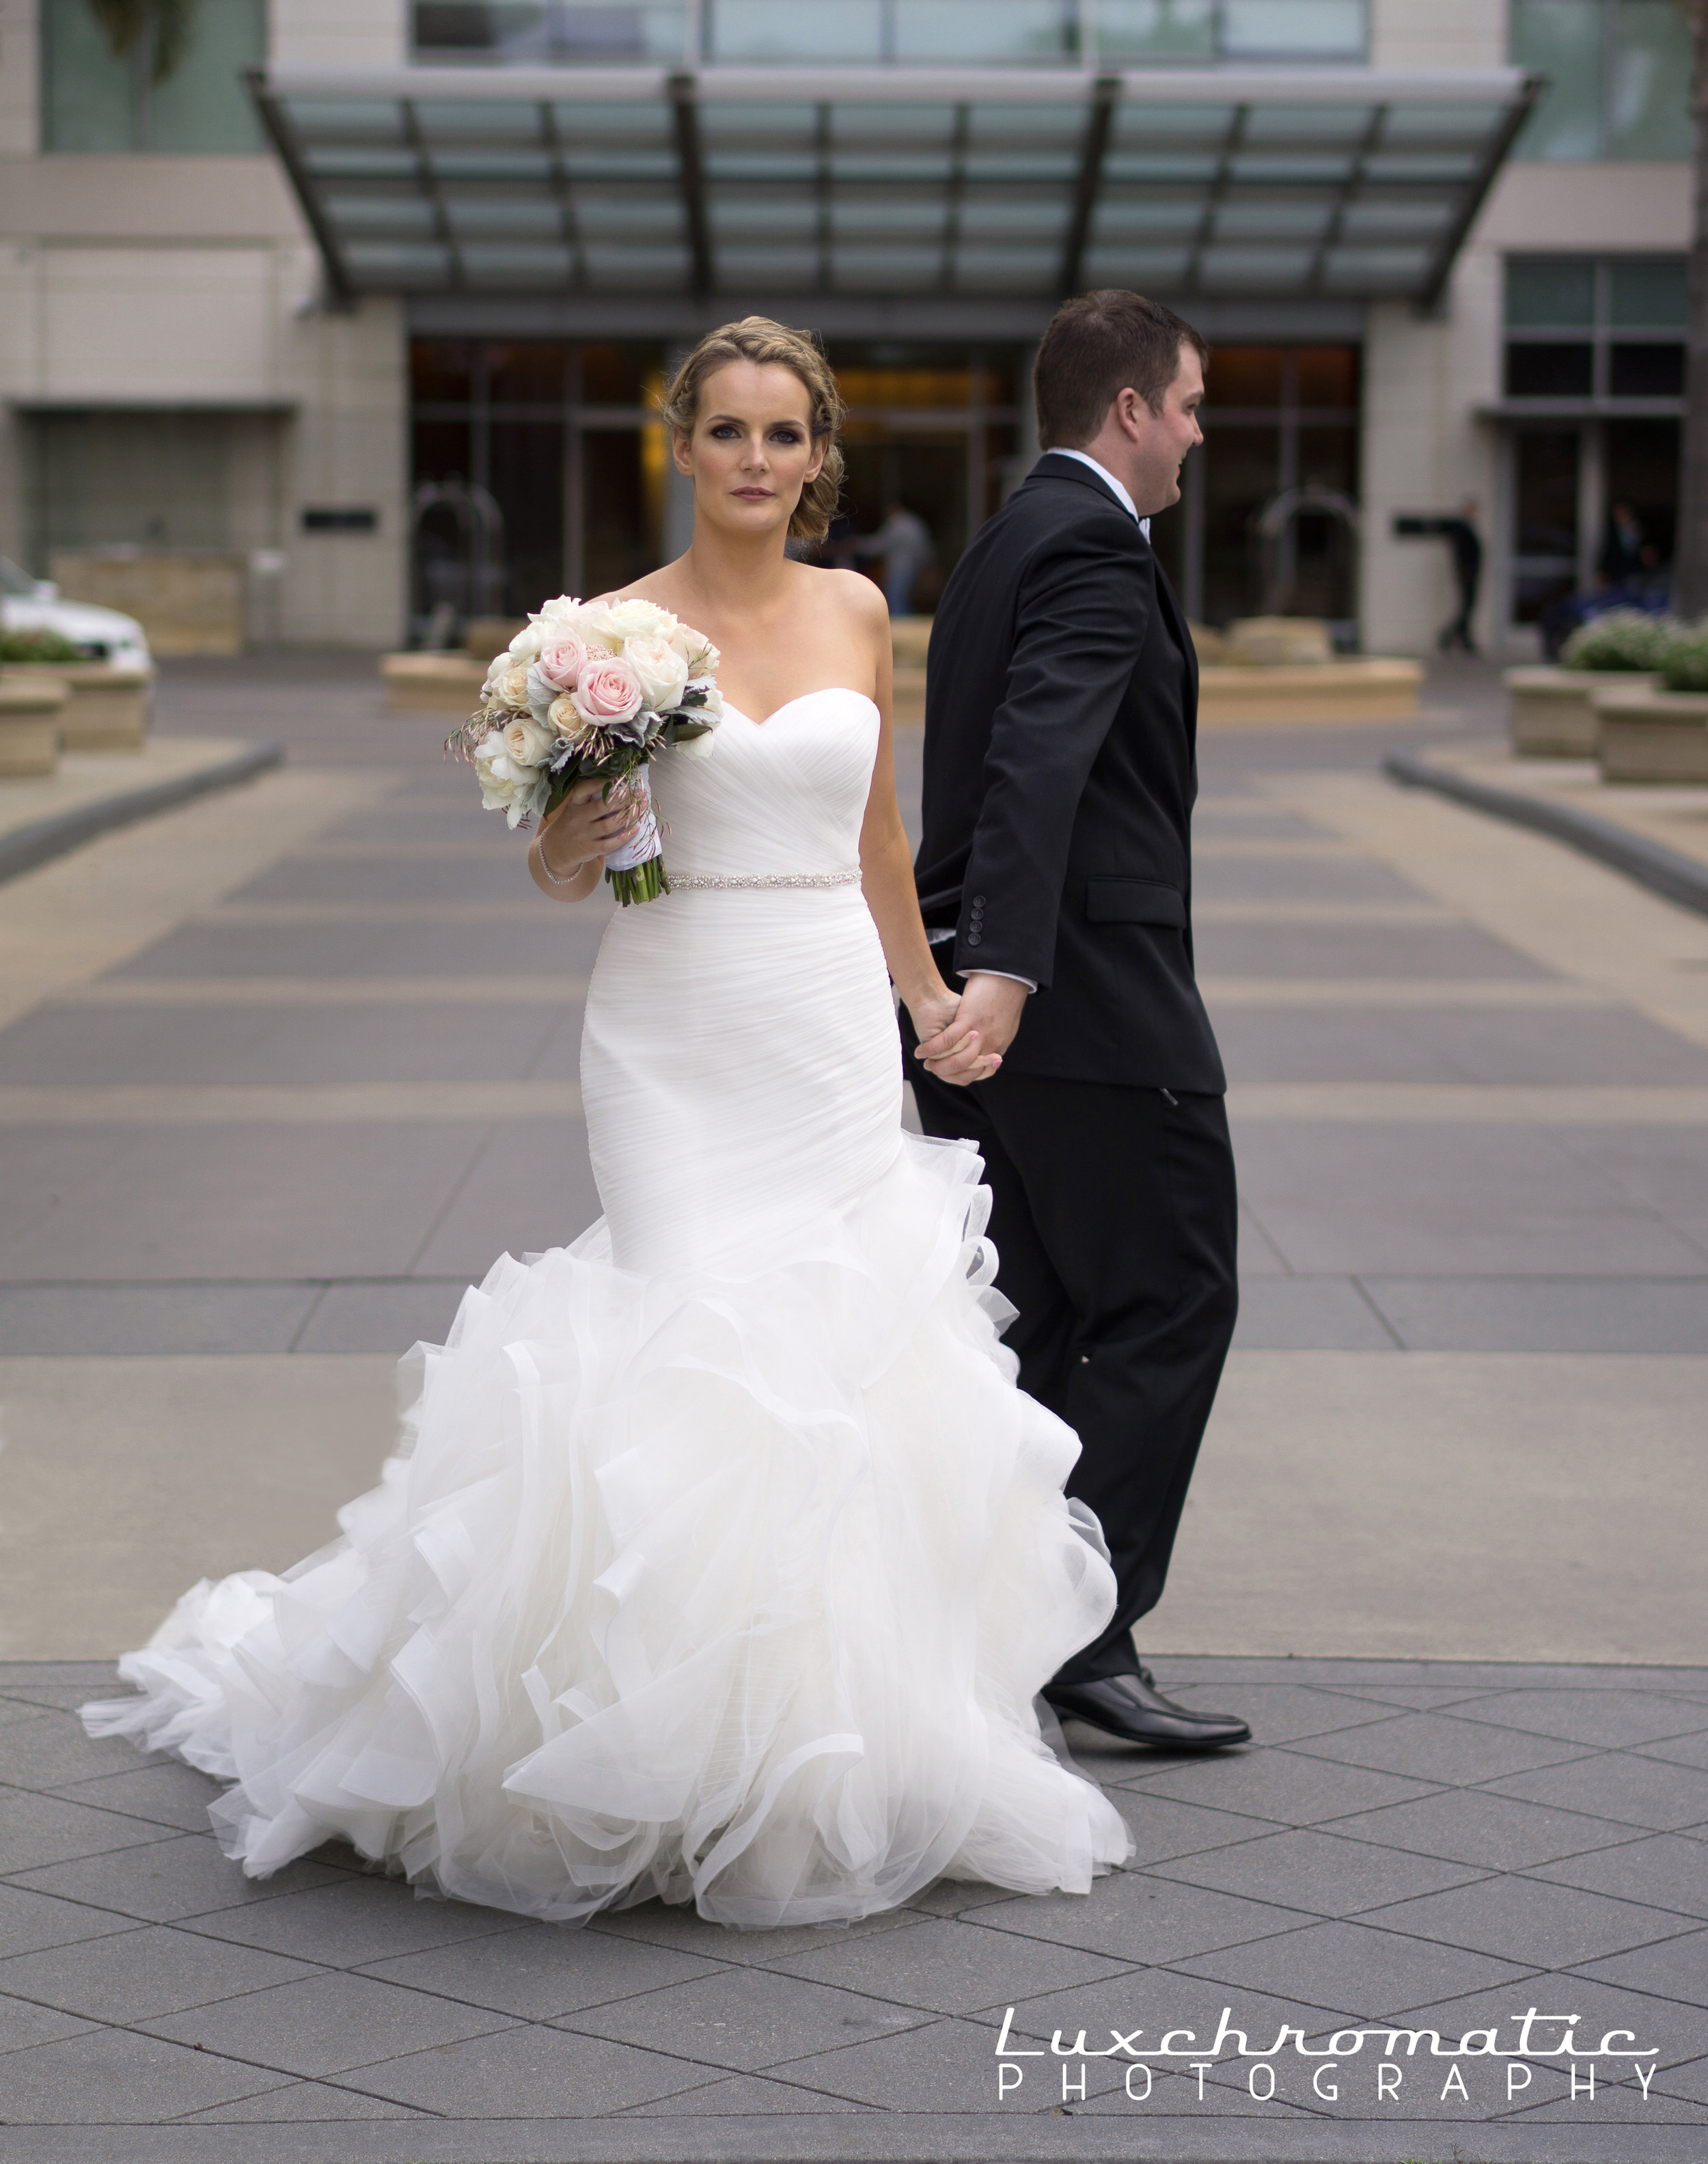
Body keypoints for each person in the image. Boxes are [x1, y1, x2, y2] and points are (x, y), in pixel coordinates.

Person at [82, 317, 1132, 1928]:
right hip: (672, 1021)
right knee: (690, 1334)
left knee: (840, 1363)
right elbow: (568, 875)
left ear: (819, 454)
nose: (757, 462)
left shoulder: (860, 608)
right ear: (682, 443)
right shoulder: (606, 635)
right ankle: (640, 1741)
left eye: (785, 435)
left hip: (828, 1023)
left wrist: (926, 996)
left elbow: (874, 829)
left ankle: (802, 1748)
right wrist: (585, 811)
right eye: (727, 431)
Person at [905, 290, 1249, 1755]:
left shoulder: (998, 545)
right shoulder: (1097, 549)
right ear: (1126, 410)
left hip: (985, 1006)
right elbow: (1037, 764)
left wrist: (964, 971)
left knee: (1039, 1332)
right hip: (1083, 1010)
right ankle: (1085, 1634)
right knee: (1175, 1296)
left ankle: (999, 1621)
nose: (1191, 432)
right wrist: (1007, 972)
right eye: (1182, 404)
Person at [859, 499, 933, 616]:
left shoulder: (897, 524)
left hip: (899, 568)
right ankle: (907, 622)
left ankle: (904, 623)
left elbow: (880, 545)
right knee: (901, 597)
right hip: (913, 567)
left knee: (896, 597)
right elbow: (924, 549)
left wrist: (858, 545)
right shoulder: (916, 524)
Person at [1437, 499, 1483, 654]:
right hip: (1467, 574)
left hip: (1470, 574)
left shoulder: (1468, 527)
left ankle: (1458, 638)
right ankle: (1452, 637)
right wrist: (1466, 572)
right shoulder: (1462, 528)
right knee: (1467, 607)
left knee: (1467, 607)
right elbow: (1462, 553)